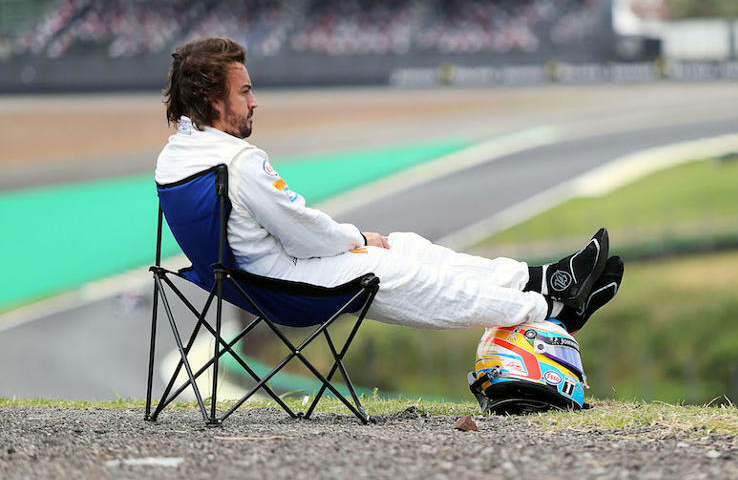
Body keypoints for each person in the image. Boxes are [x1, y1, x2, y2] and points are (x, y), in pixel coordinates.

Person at [156, 37, 623, 332]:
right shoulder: (239, 163)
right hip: (281, 287)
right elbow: (302, 231)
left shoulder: (174, 158)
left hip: (249, 282)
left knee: (407, 246)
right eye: (244, 92)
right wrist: (359, 239)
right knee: (399, 269)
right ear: (211, 99)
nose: (255, 103)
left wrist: (361, 242)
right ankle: (552, 312)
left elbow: (294, 234)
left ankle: (541, 280)